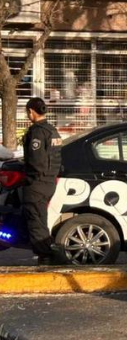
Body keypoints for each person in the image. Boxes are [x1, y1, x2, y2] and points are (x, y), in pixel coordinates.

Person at [22, 97, 62, 265]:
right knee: (40, 218)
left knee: (36, 220)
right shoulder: (52, 130)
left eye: (27, 113)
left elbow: (36, 161)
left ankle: (46, 255)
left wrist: (30, 179)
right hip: (49, 181)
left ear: (31, 111)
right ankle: (47, 252)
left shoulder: (37, 132)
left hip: (38, 183)